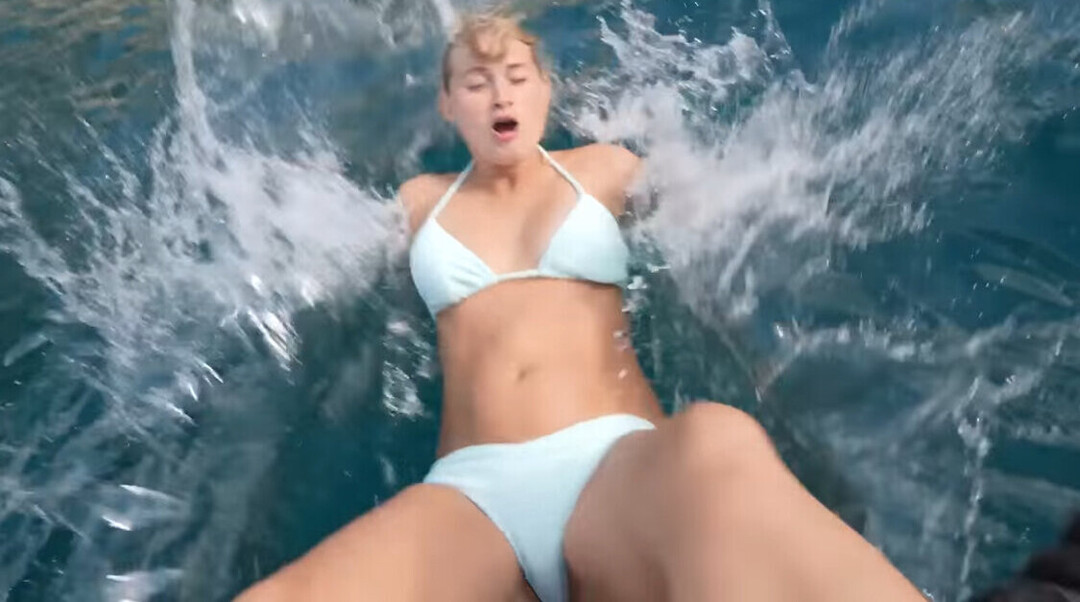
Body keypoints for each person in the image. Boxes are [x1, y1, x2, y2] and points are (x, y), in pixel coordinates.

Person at [236, 10, 926, 602]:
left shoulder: (604, 169)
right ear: (448, 104)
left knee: (718, 439)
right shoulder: (419, 203)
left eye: (517, 77)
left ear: (546, 89)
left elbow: (721, 205)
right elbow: (311, 253)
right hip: (473, 497)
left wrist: (779, 197)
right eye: (476, 83)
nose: (499, 95)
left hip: (612, 467)